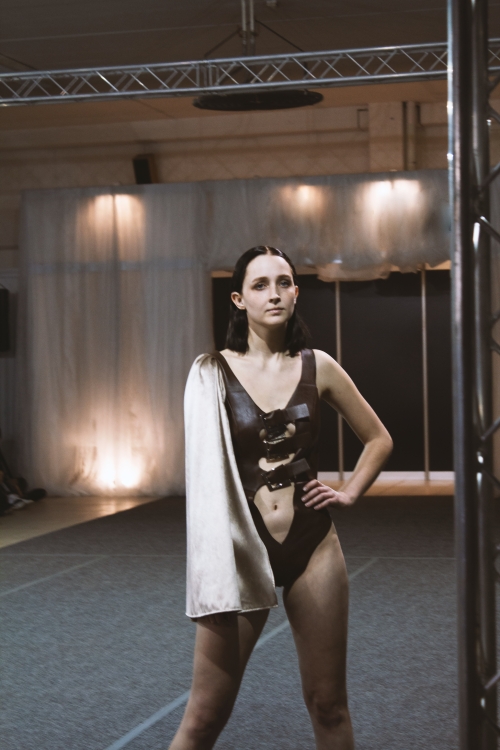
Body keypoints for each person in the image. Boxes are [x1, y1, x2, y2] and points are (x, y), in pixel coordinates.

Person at [172, 246, 393, 750]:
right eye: (260, 285)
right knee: (204, 716)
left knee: (329, 706)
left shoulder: (320, 366)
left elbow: (379, 439)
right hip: (239, 555)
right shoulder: (211, 372)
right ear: (238, 299)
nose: (274, 293)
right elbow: (203, 482)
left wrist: (349, 492)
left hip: (313, 547)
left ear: (296, 293)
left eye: (284, 282)